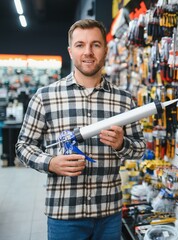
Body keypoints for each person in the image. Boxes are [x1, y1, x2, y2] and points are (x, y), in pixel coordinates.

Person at [15, 19, 146, 239]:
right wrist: (51, 163)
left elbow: (140, 149)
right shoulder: (45, 97)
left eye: (95, 44)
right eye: (80, 45)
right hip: (64, 214)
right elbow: (23, 146)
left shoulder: (124, 100)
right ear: (70, 51)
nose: (88, 52)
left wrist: (122, 144)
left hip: (109, 214)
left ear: (105, 49)